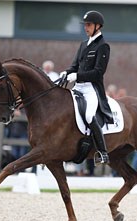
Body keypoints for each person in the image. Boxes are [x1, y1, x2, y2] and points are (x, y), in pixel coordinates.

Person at [59, 10, 113, 165]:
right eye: (85, 25)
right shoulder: (83, 45)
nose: (85, 27)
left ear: (98, 26)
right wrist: (66, 72)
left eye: (88, 25)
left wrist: (77, 76)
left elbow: (98, 73)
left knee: (89, 116)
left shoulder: (103, 46)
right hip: (78, 87)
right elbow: (75, 66)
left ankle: (103, 152)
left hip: (92, 89)